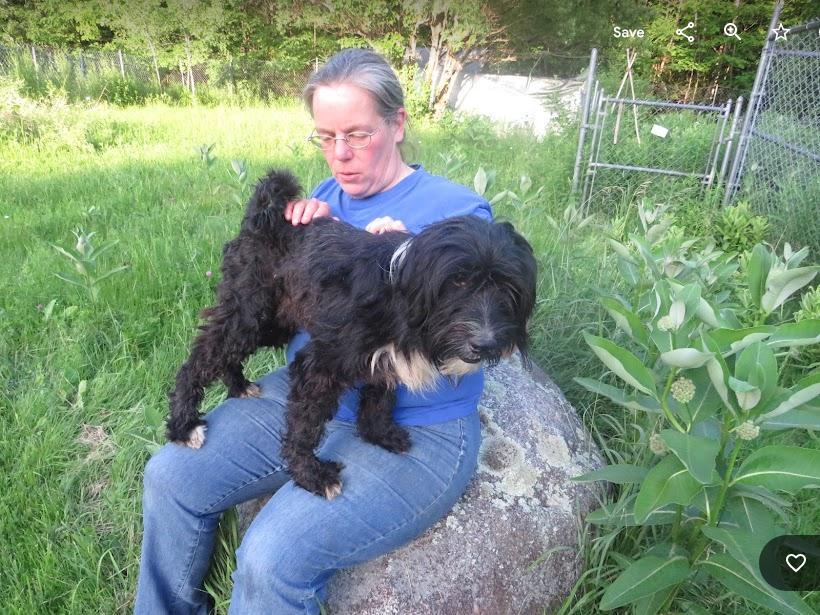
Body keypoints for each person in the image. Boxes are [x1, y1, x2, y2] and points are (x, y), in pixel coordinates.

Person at [135, 47, 492, 614]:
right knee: (171, 474)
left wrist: (412, 261)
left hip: (417, 423)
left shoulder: (459, 214)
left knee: (270, 556)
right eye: (325, 137)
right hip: (309, 389)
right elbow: (276, 285)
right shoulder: (324, 199)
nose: (341, 156)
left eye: (357, 134)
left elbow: (477, 321)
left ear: (397, 124)